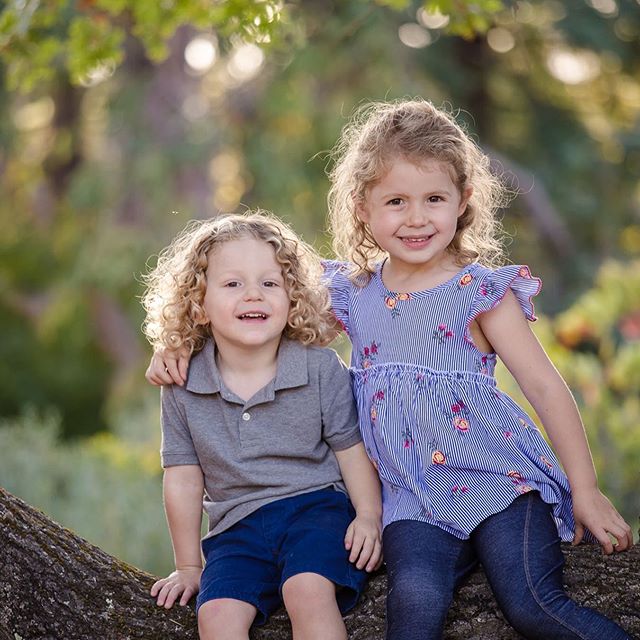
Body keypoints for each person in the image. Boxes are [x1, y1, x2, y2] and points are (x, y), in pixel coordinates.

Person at [146, 100, 635, 640]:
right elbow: (258, 324)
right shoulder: (354, 293)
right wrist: (178, 348)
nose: (417, 218)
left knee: (531, 604)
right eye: (396, 201)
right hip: (409, 499)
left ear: (463, 201)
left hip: (496, 483)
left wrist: (584, 490)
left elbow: (544, 387)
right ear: (362, 207)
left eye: (434, 199)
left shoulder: (481, 294)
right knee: (413, 607)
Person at [141, 211, 382, 640]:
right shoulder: (182, 383)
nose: (254, 295)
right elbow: (182, 479)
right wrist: (188, 566)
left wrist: (367, 516)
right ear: (199, 303)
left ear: (292, 296)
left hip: (317, 511)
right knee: (214, 617)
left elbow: (351, 450)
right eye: (233, 284)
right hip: (237, 529)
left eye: (270, 283)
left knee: (306, 590)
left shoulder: (319, 367)